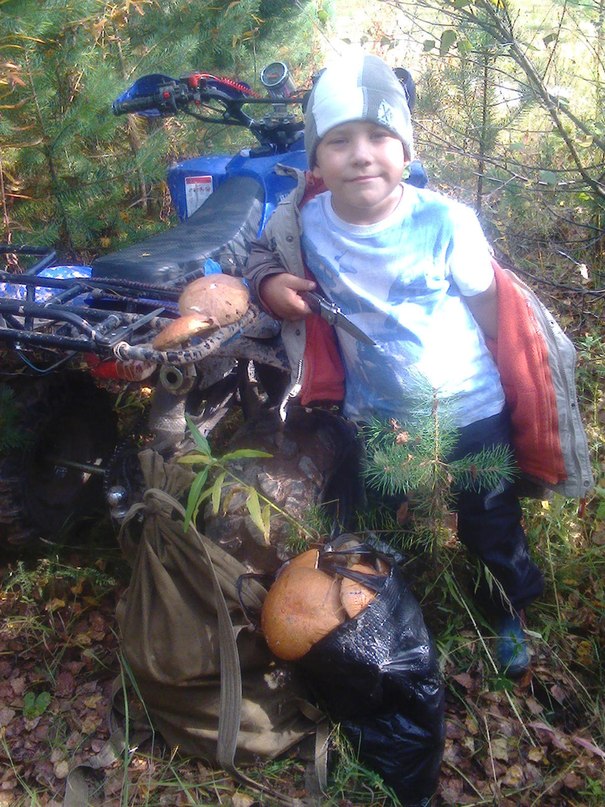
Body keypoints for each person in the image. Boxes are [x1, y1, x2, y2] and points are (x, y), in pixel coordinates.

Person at [244, 53, 549, 677]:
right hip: (376, 411)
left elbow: (493, 311)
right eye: (339, 141)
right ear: (315, 161)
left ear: (406, 151)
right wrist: (270, 282)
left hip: (468, 407)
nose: (361, 155)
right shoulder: (303, 223)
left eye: (380, 136)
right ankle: (379, 605)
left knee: (489, 518)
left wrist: (514, 384)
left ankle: (507, 610)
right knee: (377, 513)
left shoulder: (446, 222)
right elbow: (258, 255)